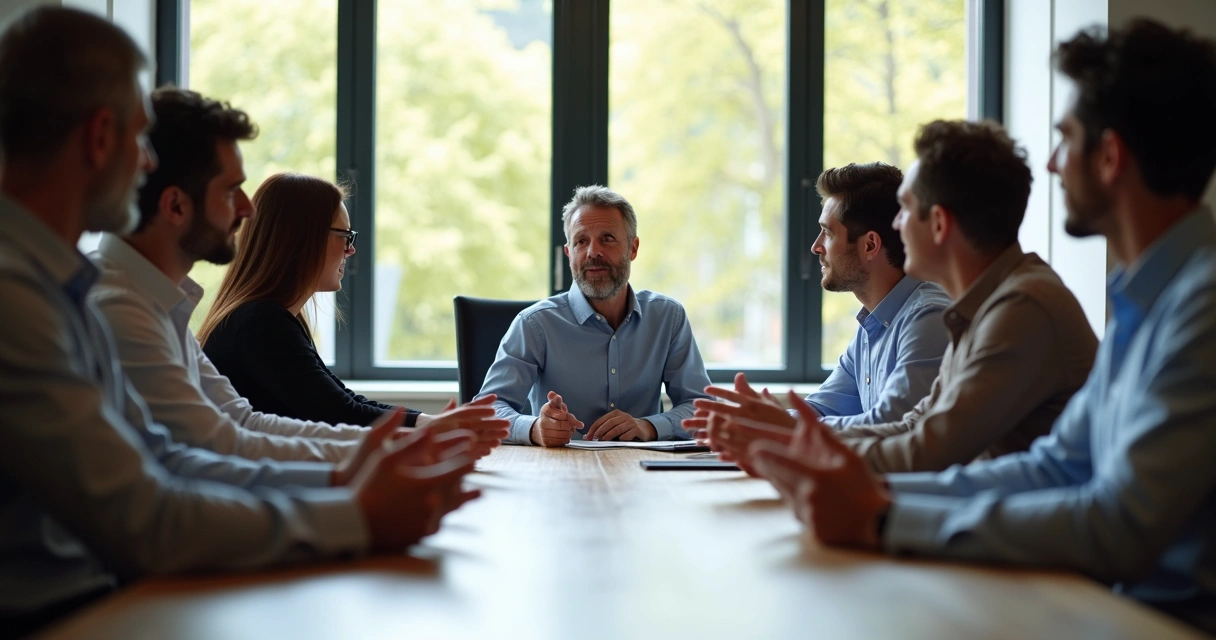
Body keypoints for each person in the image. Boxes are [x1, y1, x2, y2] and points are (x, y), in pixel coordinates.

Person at [0, 8, 483, 635]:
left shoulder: (73, 288)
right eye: (139, 142)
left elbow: (170, 456)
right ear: (99, 138)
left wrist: (351, 476)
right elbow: (145, 516)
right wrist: (356, 511)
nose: (147, 166)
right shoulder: (28, 298)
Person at [746, 19, 1216, 633]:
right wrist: (872, 500)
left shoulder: (1194, 306)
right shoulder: (1142, 301)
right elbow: (1055, 466)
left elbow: (1118, 525)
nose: (1051, 163)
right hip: (1102, 600)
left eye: (1065, 138)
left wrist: (882, 517)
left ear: (1109, 157)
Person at [89, 86, 507, 463]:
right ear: (176, 206)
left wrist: (418, 435)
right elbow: (231, 441)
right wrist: (411, 442)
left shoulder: (166, 308)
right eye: (230, 190)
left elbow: (243, 423)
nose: (246, 209)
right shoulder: (132, 311)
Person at [698, 119, 1098, 474]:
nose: (896, 226)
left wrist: (793, 438)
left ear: (939, 223)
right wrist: (789, 429)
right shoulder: (983, 309)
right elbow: (914, 428)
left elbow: (929, 450)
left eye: (905, 210)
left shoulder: (1021, 308)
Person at [688, 162, 949, 441]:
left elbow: (893, 425)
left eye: (828, 232)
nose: (816, 246)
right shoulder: (872, 325)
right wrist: (755, 421)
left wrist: (781, 427)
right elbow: (820, 409)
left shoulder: (928, 318)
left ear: (870, 246)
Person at [477, 185, 712, 446]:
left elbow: (702, 409)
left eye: (607, 238)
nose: (593, 252)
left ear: (633, 248)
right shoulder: (535, 325)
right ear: (569, 254)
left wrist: (648, 426)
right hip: (557, 472)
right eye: (581, 241)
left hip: (643, 471)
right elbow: (486, 411)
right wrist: (534, 428)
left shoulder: (668, 318)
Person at [198, 173, 421, 428]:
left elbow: (344, 401)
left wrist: (432, 422)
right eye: (345, 235)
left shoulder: (266, 317)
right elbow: (342, 413)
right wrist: (434, 425)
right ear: (303, 239)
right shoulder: (262, 324)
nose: (351, 249)